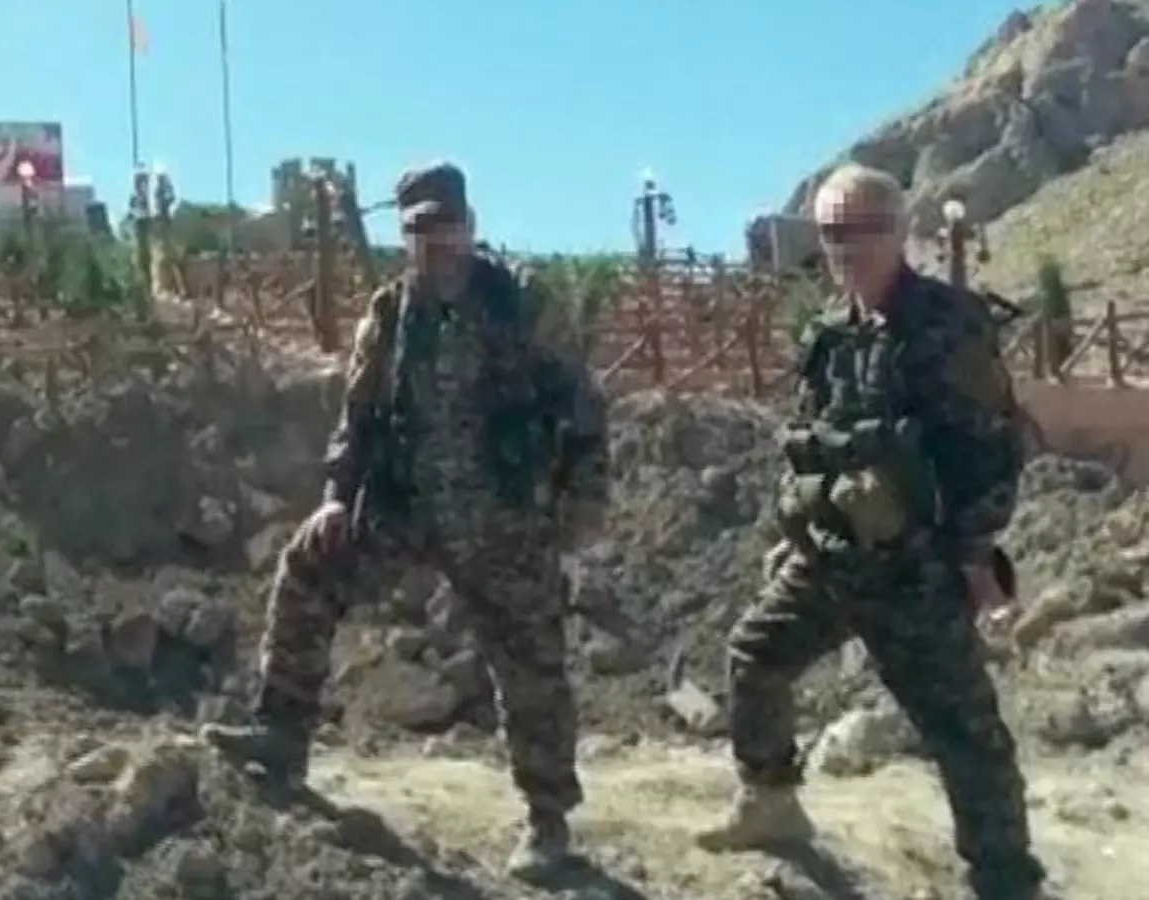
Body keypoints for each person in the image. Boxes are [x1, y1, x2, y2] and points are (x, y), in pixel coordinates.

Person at [202, 161, 609, 880]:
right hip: (409, 508)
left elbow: (581, 404)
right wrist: (337, 496)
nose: (434, 242)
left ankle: (548, 824)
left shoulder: (520, 304)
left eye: (445, 225)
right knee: (310, 565)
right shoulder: (389, 316)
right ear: (406, 235)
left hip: (505, 519)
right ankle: (281, 734)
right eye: (419, 229)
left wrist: (582, 502)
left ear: (469, 226)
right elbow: (358, 417)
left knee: (532, 666)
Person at [694, 163, 1047, 900]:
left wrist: (974, 560)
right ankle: (771, 800)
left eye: (863, 230)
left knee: (962, 729)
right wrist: (794, 534)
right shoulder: (831, 333)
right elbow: (814, 440)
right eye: (832, 232)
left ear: (900, 231)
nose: (847, 248)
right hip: (831, 560)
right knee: (755, 654)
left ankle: (1005, 879)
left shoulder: (947, 326)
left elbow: (992, 451)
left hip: (917, 571)